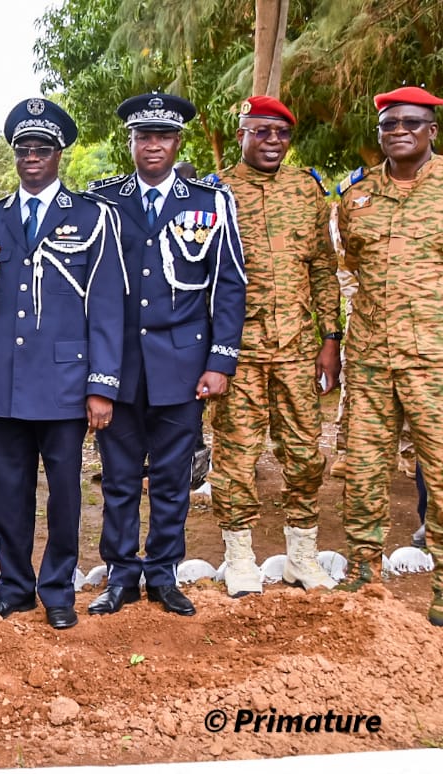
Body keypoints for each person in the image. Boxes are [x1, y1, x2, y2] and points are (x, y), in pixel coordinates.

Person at [0, 98, 127, 630]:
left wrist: (101, 386)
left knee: (63, 495)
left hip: (66, 381)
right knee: (8, 494)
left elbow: (107, 307)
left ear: (60, 155)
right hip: (9, 383)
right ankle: (13, 586)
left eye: (43, 149)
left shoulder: (91, 217)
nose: (32, 157)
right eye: (23, 149)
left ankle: (58, 588)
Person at [86, 93, 247, 617]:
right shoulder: (104, 200)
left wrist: (220, 361)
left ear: (179, 143)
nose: (153, 145)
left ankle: (164, 573)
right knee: (119, 479)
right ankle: (120, 575)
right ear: (130, 142)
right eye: (143, 136)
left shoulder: (212, 202)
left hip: (182, 366)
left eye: (163, 136)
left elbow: (228, 286)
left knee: (175, 477)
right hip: (120, 369)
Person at [209, 96, 341, 597]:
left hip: (296, 347)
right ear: (241, 133)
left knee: (306, 454)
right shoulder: (217, 191)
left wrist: (331, 338)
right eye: (259, 132)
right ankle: (239, 556)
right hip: (237, 350)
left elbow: (323, 269)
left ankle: (302, 556)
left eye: (280, 133)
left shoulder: (306, 190)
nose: (271, 142)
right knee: (237, 458)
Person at [335, 86, 443, 626]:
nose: (399, 130)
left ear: (432, 130)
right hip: (373, 357)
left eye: (410, 122)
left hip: (434, 360)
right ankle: (362, 569)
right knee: (365, 467)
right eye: (388, 124)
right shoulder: (356, 197)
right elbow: (351, 265)